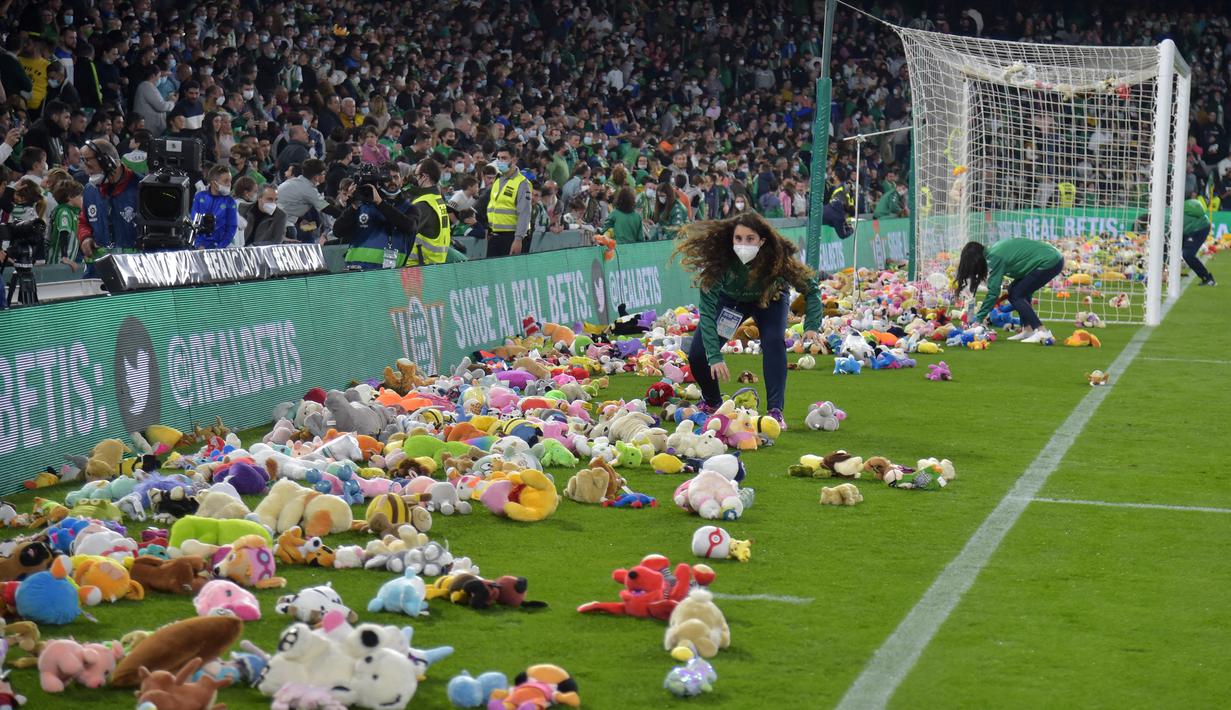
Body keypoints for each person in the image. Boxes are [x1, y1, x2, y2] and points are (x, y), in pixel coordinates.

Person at [674, 212, 823, 428]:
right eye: (739, 238)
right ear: (731, 239)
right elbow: (706, 312)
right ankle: (713, 402)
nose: (744, 244)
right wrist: (715, 356)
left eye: (750, 239)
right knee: (698, 353)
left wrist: (811, 325)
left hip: (769, 300)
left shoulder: (777, 260)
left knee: (773, 341)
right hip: (732, 302)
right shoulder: (721, 263)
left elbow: (811, 289)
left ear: (762, 241)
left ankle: (774, 412)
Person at [957, 238, 1065, 343]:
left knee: (1016, 295)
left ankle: (1042, 331)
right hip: (1052, 257)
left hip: (1050, 261)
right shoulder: (994, 251)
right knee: (1015, 290)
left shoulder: (994, 258)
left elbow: (993, 292)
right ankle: (1028, 330)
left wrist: (979, 318)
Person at [77, 139, 142, 276]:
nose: (87, 172)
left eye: (91, 167)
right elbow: (84, 221)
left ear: (108, 162)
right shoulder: (90, 190)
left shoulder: (141, 188)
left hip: (134, 271)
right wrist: (85, 238)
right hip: (97, 272)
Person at [336, 163, 420, 269]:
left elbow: (410, 227)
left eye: (395, 177)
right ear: (379, 182)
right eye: (387, 178)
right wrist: (353, 205)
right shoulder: (362, 204)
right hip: (356, 271)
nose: (392, 181)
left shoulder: (409, 207)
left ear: (402, 180)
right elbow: (338, 231)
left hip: (389, 273)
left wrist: (380, 203)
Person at [402, 159, 452, 266]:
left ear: (424, 177)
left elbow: (404, 232)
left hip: (417, 267)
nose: (414, 179)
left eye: (416, 175)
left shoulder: (423, 204)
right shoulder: (437, 199)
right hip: (432, 264)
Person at [485, 147, 531, 256]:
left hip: (512, 237)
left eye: (504, 158)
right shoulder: (497, 181)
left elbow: (524, 213)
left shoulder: (522, 183)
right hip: (495, 236)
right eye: (498, 158)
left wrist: (518, 239)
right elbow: (493, 207)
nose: (500, 161)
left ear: (514, 160)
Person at [190, 165, 239, 249]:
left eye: (230, 181)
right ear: (213, 182)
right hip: (199, 247)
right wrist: (198, 244)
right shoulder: (200, 197)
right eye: (226, 181)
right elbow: (194, 223)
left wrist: (218, 248)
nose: (229, 184)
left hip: (219, 249)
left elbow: (231, 228)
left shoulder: (230, 202)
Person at [1180, 197, 1216, 286]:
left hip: (1199, 228)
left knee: (1188, 254)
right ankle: (1168, 274)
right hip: (1187, 229)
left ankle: (1207, 278)